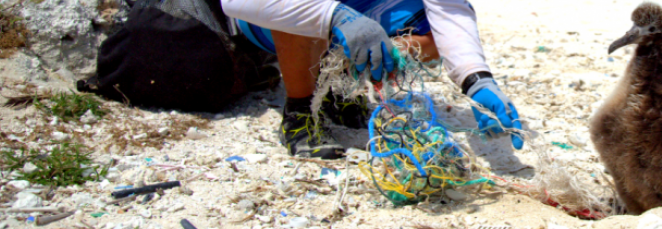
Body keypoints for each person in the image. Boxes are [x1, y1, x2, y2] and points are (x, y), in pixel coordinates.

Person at [221, 0, 523, 159]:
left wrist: (476, 78)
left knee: (430, 37)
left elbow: (449, 10)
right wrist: (336, 15)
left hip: (361, 6)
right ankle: (299, 112)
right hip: (270, 14)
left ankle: (340, 81)